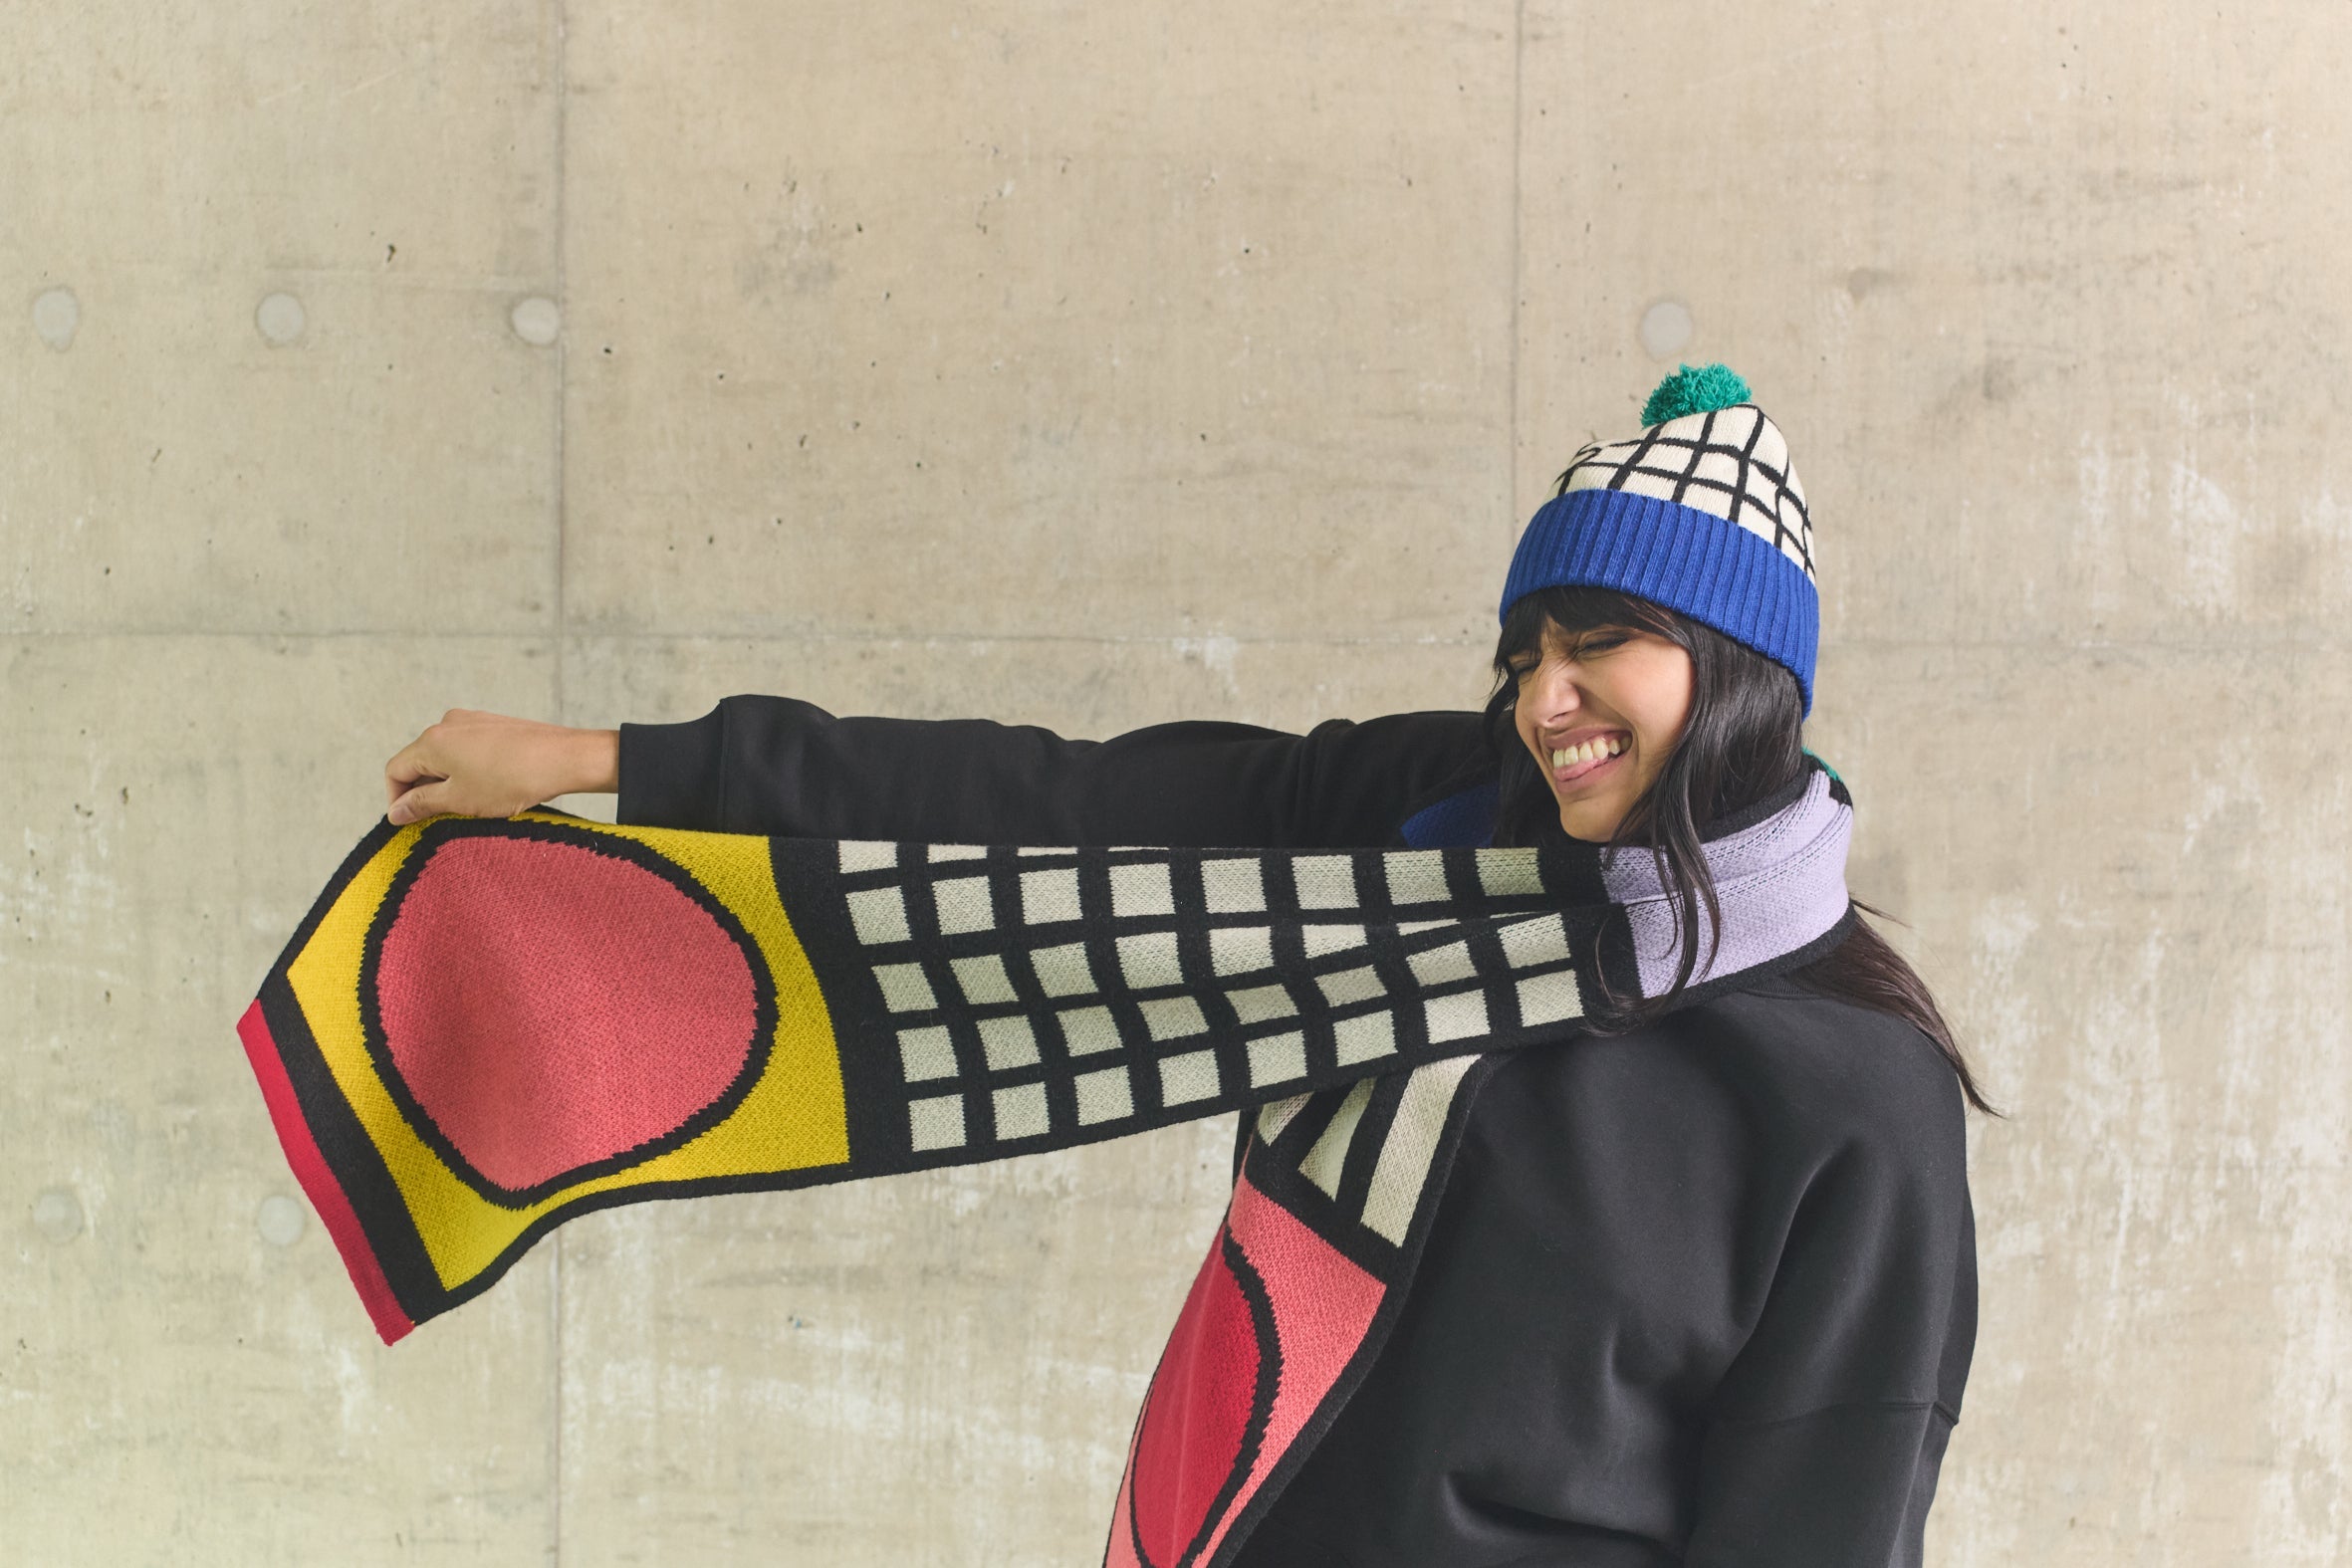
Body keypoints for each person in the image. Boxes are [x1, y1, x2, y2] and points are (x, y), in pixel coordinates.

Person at [383, 364, 1988, 1567]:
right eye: (1523, 658)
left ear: (1734, 665)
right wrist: (615, 761)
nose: (1541, 705)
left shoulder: (1849, 1096)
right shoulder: (1439, 828)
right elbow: (1049, 812)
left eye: (1594, 650)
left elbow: (1821, 1529)